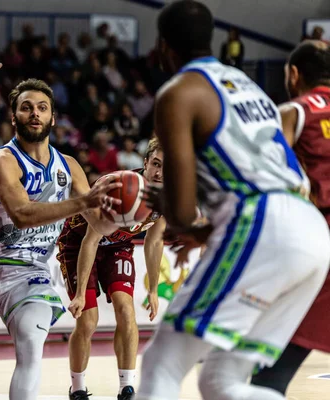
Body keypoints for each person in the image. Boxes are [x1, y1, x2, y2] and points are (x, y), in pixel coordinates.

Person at [136, 2, 330, 400]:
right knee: (222, 382)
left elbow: (184, 209)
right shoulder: (247, 85)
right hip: (311, 232)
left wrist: (164, 205)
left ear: (162, 46)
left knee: (162, 364)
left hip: (263, 223)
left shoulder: (179, 92)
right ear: (215, 39)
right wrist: (205, 228)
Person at [0, 78, 121, 400]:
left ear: (53, 118)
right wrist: (84, 202)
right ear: (13, 116)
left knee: (32, 348)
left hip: (30, 272)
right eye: (27, 107)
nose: (35, 113)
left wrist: (137, 212)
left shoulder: (70, 166)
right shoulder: (1, 161)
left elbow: (101, 226)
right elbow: (22, 213)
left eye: (42, 108)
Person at [250, 40, 330, 394]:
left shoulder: (295, 111)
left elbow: (261, 178)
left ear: (294, 74)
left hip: (317, 246)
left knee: (269, 371)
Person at [59, 138, 165, 400]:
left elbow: (154, 242)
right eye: (156, 164)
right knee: (88, 321)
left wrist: (153, 289)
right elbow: (91, 240)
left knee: (126, 310)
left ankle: (127, 388)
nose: (160, 173)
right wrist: (81, 293)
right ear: (145, 163)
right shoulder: (115, 185)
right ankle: (78, 387)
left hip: (118, 247)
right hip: (79, 243)